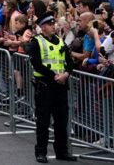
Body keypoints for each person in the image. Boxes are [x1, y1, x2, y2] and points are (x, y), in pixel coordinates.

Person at [29, 12, 77, 163]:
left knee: (62, 121)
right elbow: (36, 63)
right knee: (43, 121)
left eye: (53, 24)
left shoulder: (61, 42)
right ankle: (41, 152)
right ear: (43, 27)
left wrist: (66, 74)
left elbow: (70, 61)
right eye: (50, 24)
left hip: (61, 86)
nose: (53, 26)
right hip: (45, 86)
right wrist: (54, 76)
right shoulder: (36, 41)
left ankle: (62, 151)